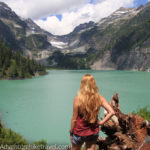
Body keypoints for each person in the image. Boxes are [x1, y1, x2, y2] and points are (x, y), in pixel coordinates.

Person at [70, 74, 115, 150]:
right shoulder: (99, 98)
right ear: (94, 84)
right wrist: (101, 123)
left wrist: (71, 133)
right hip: (93, 132)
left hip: (79, 132)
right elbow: (112, 112)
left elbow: (74, 119)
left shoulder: (77, 99)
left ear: (82, 84)